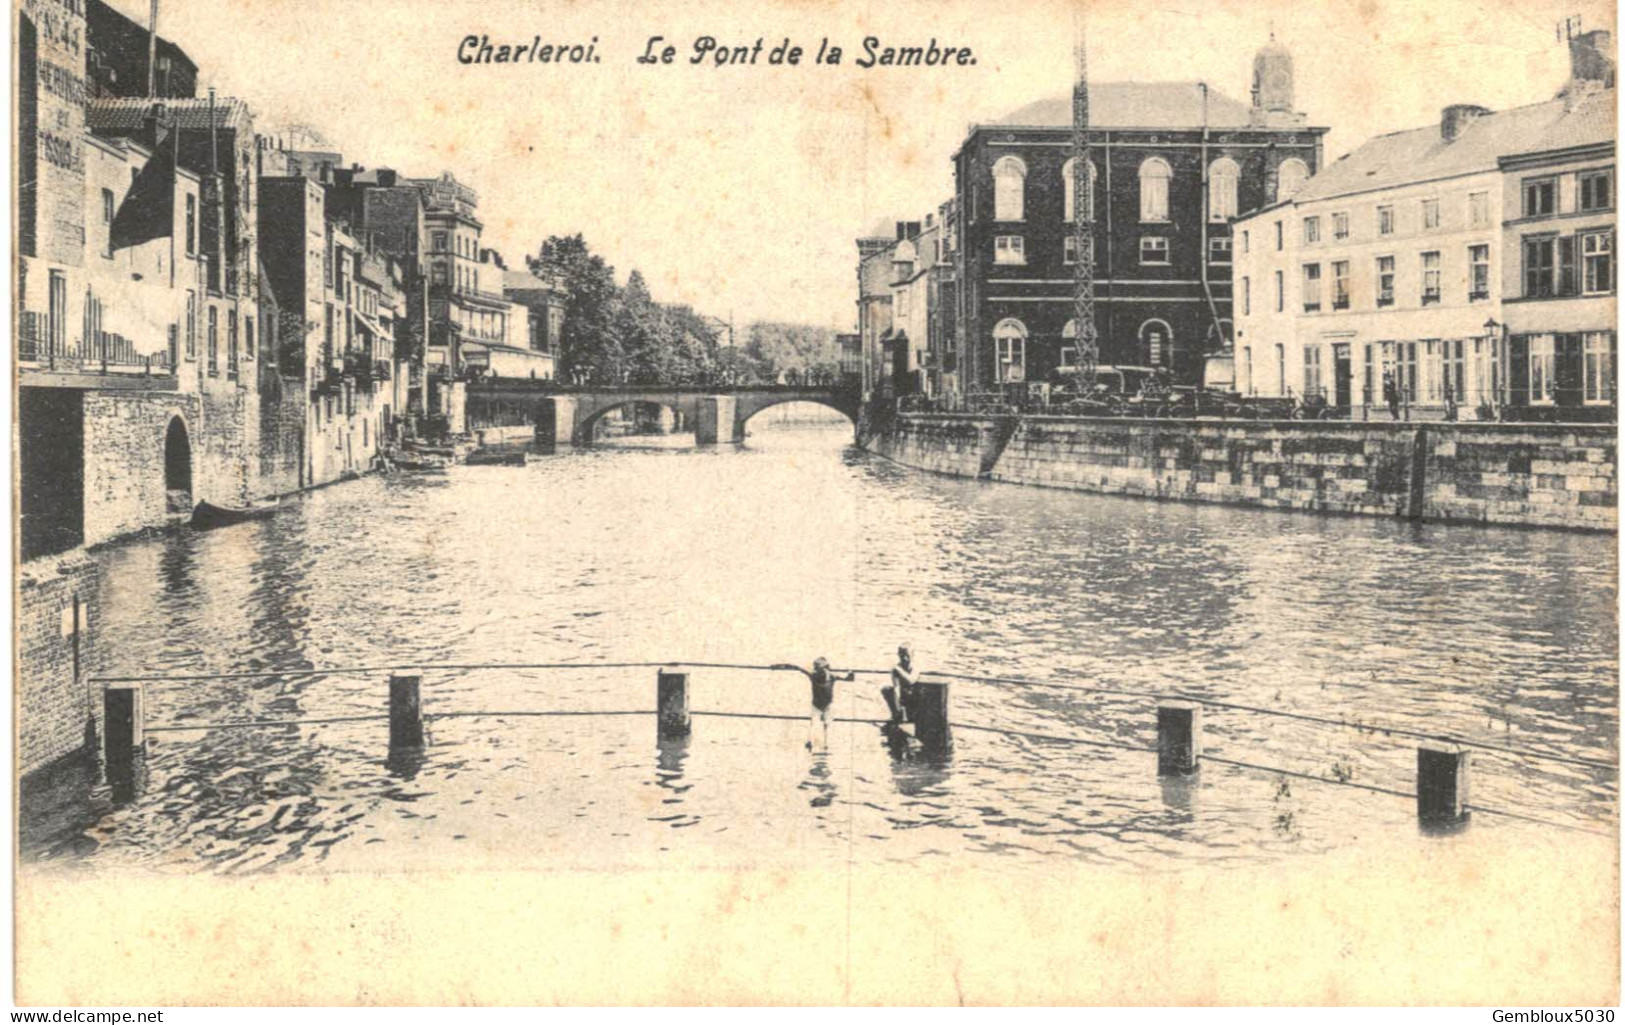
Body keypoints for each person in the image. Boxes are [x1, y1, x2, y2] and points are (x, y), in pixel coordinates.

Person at [775, 658, 854, 751]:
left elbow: (850, 679)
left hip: (826, 705)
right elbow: (796, 668)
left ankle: (824, 743)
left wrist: (851, 673)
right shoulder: (821, 676)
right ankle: (813, 742)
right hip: (818, 704)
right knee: (816, 723)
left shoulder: (829, 676)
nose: (823, 672)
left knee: (824, 724)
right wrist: (778, 666)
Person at [882, 644, 919, 726]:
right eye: (902, 656)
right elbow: (896, 687)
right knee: (886, 690)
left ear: (912, 655)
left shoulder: (915, 666)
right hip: (904, 695)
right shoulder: (896, 669)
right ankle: (897, 716)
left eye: (907, 656)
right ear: (898, 655)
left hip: (916, 697)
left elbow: (911, 680)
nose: (905, 659)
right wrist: (897, 706)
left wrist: (899, 670)